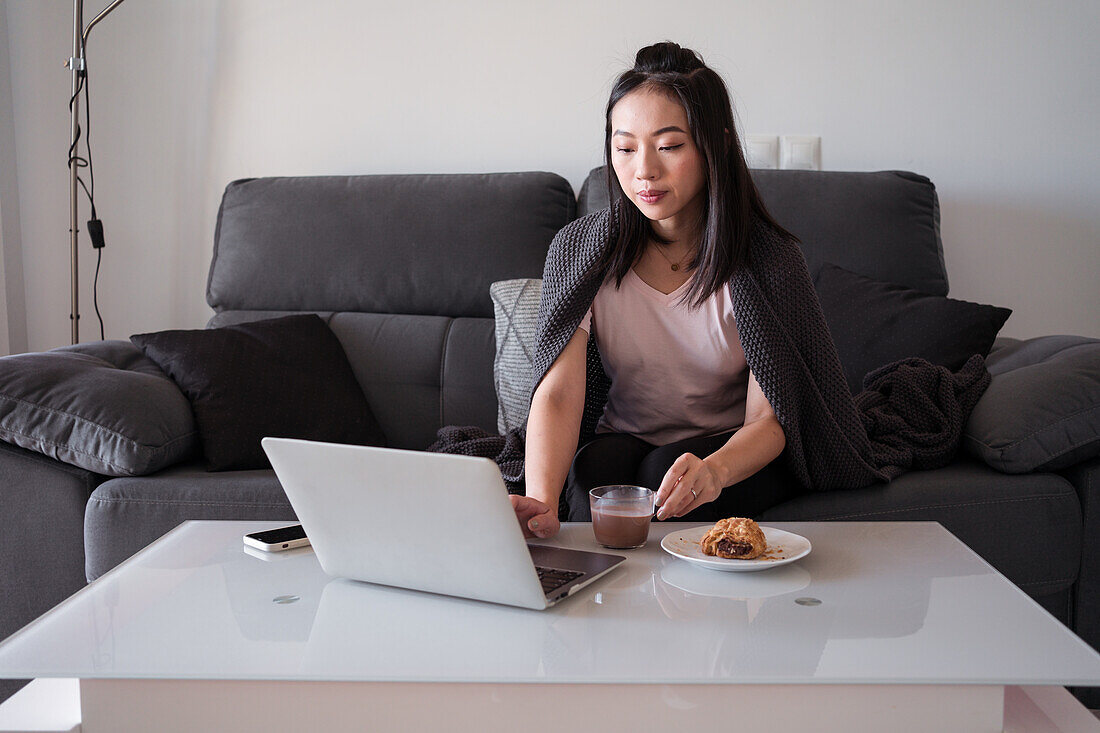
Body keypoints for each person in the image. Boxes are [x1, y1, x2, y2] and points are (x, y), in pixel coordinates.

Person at [511, 41, 806, 540]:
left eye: (669, 146)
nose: (643, 170)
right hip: (624, 435)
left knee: (661, 476)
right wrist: (540, 500)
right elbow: (559, 393)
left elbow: (769, 421)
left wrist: (714, 471)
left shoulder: (767, 260)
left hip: (733, 449)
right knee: (593, 478)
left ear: (714, 145)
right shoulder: (582, 250)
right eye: (624, 148)